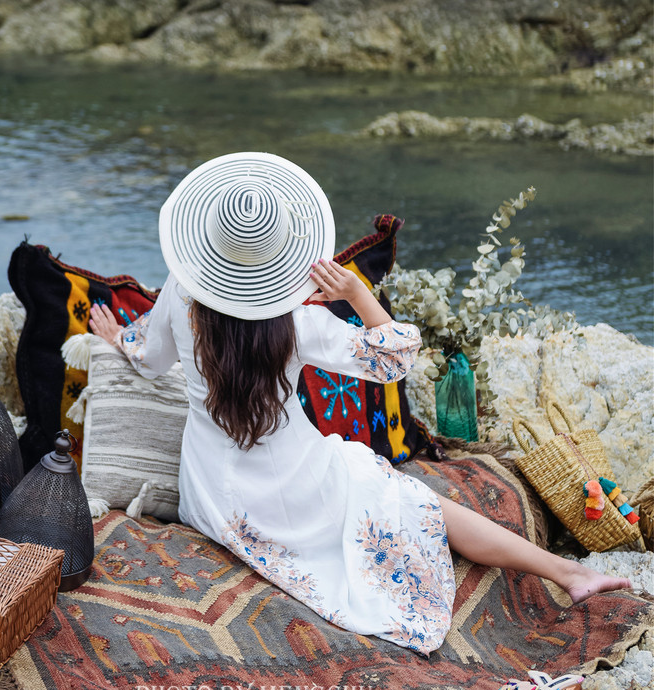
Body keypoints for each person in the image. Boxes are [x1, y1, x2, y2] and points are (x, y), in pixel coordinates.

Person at [89, 151, 631, 655]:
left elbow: (150, 357)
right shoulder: (299, 323)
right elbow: (396, 357)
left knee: (390, 493)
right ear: (278, 255)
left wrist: (119, 341)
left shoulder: (182, 295)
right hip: (298, 486)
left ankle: (569, 574)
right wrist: (354, 292)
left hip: (210, 500)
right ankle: (568, 573)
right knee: (419, 502)